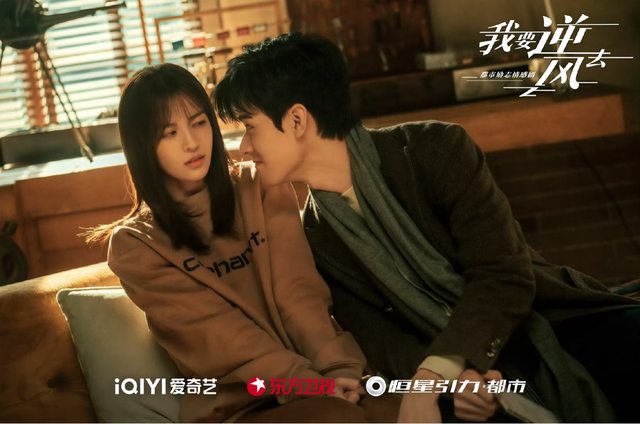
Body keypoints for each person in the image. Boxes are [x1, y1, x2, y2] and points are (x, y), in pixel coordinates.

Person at [213, 32, 640, 423]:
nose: (243, 148)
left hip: (545, 321)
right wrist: (452, 382)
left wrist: (438, 373)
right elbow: (382, 342)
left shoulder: (433, 148)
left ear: (297, 120)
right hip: (454, 376)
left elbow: (503, 275)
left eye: (249, 128)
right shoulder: (316, 237)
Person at [89, 63, 401, 423]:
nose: (191, 142)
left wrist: (337, 368)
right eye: (169, 132)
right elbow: (219, 337)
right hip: (242, 405)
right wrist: (306, 383)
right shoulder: (135, 245)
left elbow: (298, 293)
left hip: (324, 379)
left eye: (199, 122)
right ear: (143, 146)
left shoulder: (261, 185)